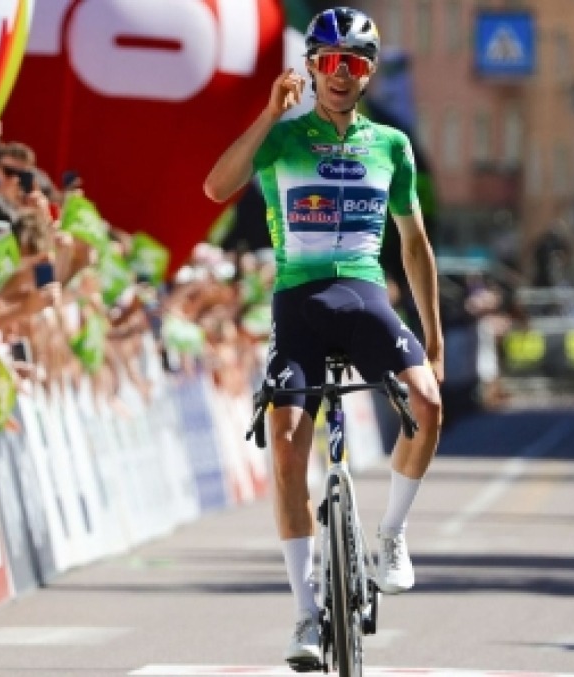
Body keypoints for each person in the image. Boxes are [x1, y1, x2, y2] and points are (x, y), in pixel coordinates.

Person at [203, 6, 443, 669]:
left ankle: (391, 536)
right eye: (330, 61)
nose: (342, 73)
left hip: (365, 297)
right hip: (300, 303)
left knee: (427, 402)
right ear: (311, 67)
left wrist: (434, 339)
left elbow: (415, 246)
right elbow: (216, 186)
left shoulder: (391, 145)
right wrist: (268, 114)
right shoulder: (282, 138)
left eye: (355, 63)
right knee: (285, 447)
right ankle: (306, 614)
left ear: (368, 73)